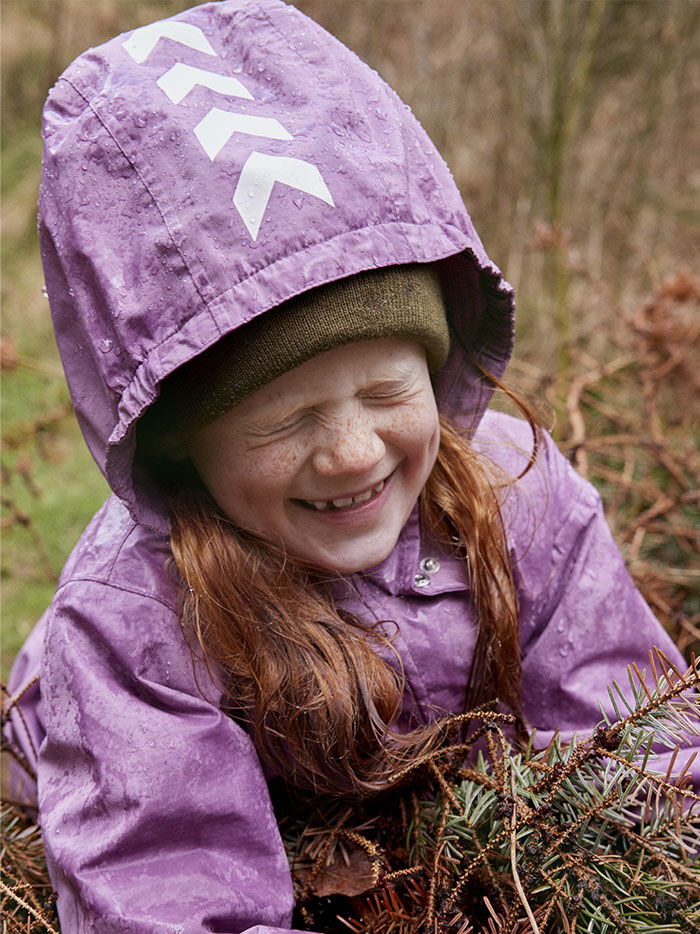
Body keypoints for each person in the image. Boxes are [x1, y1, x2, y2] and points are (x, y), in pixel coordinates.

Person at [5, 0, 697, 929]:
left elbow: (633, 730)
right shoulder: (138, 621)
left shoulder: (520, 492)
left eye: (384, 395)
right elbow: (170, 891)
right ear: (183, 450)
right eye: (283, 421)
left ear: (436, 362)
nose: (352, 453)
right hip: (108, 753)